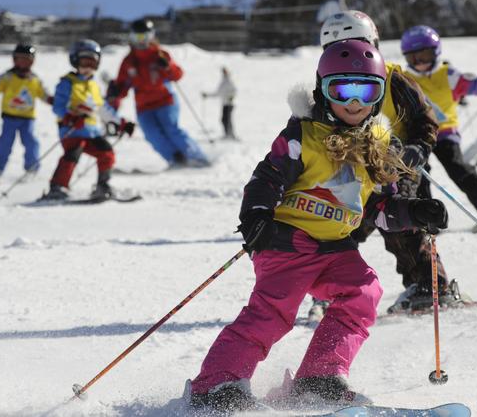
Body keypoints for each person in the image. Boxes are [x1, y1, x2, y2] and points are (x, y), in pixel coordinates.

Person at [186, 40, 449, 412]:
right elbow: (266, 178)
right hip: (287, 241)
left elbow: (378, 207)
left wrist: (416, 213)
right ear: (322, 91)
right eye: (342, 90)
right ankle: (217, 384)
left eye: (366, 90)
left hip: (336, 246)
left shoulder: (377, 144)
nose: (354, 102)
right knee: (273, 313)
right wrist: (257, 216)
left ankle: (320, 375)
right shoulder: (303, 135)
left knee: (363, 293)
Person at [308, 11, 457, 320]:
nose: (352, 58)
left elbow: (423, 118)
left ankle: (428, 285)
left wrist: (418, 146)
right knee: (338, 225)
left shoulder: (392, 78)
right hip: (348, 166)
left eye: (360, 46)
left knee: (399, 217)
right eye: (338, 49)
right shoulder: (327, 83)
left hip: (395, 161)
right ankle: (329, 290)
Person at [400, 25, 477, 230]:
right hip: (417, 136)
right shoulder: (404, 80)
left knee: (458, 167)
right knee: (418, 172)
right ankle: (426, 220)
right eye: (414, 58)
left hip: (445, 133)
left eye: (425, 55)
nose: (420, 63)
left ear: (436, 52)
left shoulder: (447, 74)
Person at [107, 18, 209, 167]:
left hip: (165, 100)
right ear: (132, 37)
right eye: (137, 37)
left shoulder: (160, 55)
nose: (141, 41)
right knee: (152, 135)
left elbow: (177, 75)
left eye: (144, 37)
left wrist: (167, 67)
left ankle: (197, 157)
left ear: (151, 36)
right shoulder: (129, 61)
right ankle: (176, 159)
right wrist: (115, 91)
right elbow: (123, 86)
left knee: (171, 129)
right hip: (143, 106)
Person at [42, 39, 134, 201]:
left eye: (92, 63)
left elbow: (104, 109)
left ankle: (102, 186)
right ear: (75, 61)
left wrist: (121, 123)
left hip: (91, 132)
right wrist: (70, 117)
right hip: (72, 130)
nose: (88, 68)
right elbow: (58, 106)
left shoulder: (94, 86)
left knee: (106, 153)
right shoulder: (67, 83)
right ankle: (57, 186)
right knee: (73, 154)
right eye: (84, 62)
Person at [0, 44, 52, 184]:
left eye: (26, 59)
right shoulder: (7, 77)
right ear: (14, 60)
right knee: (4, 143)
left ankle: (32, 169)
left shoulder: (34, 79)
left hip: (28, 118)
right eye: (19, 59)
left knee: (31, 142)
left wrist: (53, 100)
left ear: (32, 61)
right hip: (10, 117)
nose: (22, 63)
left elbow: (44, 95)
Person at [202, 66, 237, 140]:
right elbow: (218, 93)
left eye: (225, 71)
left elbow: (234, 90)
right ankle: (228, 134)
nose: (224, 73)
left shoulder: (229, 81)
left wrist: (231, 97)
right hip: (225, 103)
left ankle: (230, 135)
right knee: (224, 119)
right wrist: (207, 95)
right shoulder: (223, 81)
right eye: (223, 71)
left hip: (229, 103)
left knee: (227, 119)